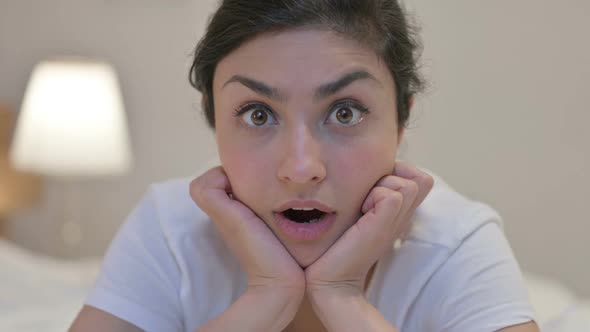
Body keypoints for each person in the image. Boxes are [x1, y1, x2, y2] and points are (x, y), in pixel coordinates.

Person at [70, 1, 540, 331]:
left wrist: (341, 295)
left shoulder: (452, 242)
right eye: (258, 114)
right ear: (215, 122)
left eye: (345, 113)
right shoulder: (170, 229)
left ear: (401, 120)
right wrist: (267, 297)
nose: (300, 168)